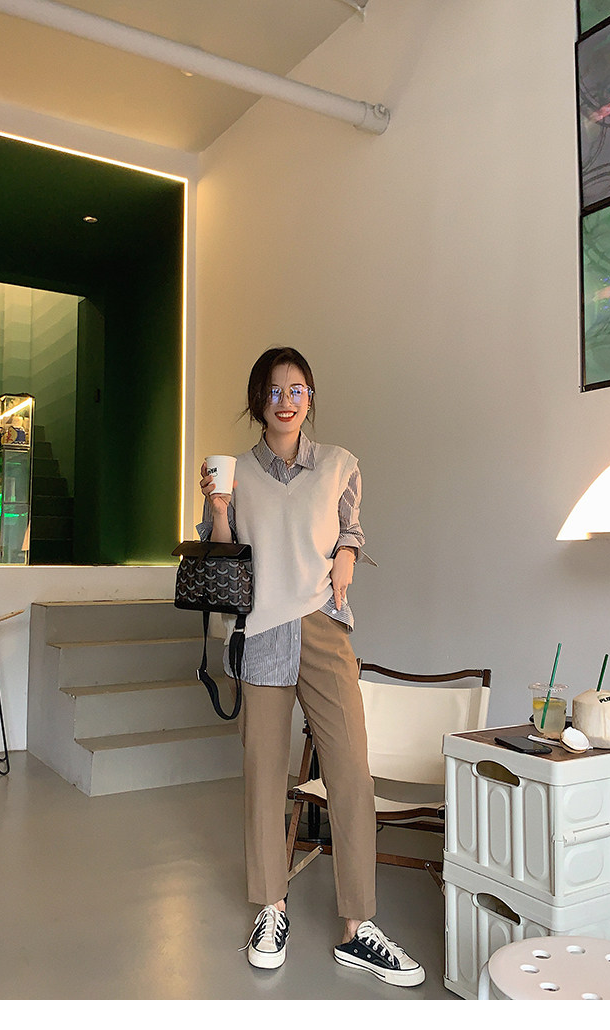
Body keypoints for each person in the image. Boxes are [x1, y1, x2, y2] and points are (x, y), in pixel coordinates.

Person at [198, 347, 424, 988]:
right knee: (264, 777)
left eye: (296, 389)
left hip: (324, 628)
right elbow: (222, 557)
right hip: (262, 631)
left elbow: (351, 529)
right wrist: (220, 509)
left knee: (351, 774)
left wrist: (347, 555)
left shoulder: (339, 464)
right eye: (274, 390)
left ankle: (359, 927)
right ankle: (271, 909)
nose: (286, 400)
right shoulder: (235, 472)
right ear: (258, 400)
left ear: (310, 397)